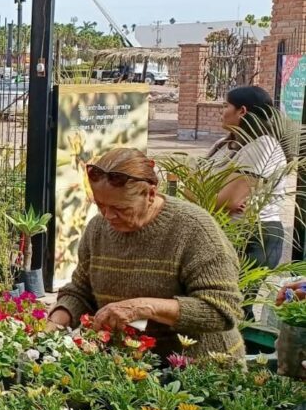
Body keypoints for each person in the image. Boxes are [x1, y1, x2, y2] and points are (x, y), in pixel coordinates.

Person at [49, 148, 244, 358]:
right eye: (100, 205)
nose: (108, 216)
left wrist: (142, 307)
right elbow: (80, 291)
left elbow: (223, 310)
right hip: (131, 367)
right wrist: (54, 322)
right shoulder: (97, 229)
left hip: (202, 370)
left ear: (150, 194)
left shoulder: (194, 229)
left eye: (121, 208)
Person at [206, 86, 289, 270]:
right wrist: (213, 194)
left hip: (253, 237)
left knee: (238, 297)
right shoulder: (222, 145)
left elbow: (228, 201)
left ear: (242, 111)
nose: (222, 111)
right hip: (224, 232)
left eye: (226, 105)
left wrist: (211, 194)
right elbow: (190, 185)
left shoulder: (264, 147)